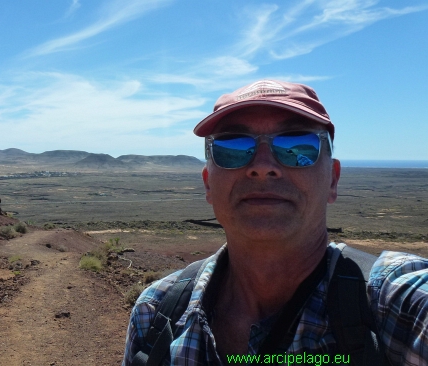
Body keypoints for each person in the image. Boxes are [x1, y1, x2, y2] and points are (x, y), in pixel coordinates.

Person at [122, 80, 428, 365]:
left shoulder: (395, 304)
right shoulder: (154, 312)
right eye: (232, 148)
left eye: (297, 147)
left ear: (333, 180)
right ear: (208, 185)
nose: (263, 166)